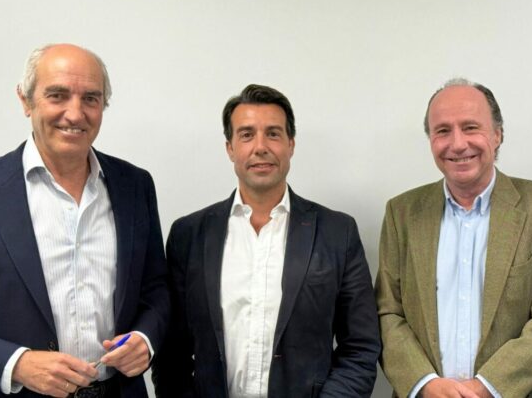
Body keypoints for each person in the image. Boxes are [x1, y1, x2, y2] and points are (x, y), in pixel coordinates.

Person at [152, 84, 380, 398]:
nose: (260, 147)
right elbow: (170, 353)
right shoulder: (189, 235)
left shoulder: (337, 233)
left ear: (291, 144)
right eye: (247, 135)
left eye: (273, 134)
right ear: (230, 148)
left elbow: (360, 347)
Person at [0, 44, 169, 397]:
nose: (75, 114)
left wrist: (145, 337)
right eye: (58, 96)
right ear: (25, 100)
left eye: (90, 99)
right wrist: (15, 363)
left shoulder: (135, 185)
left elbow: (156, 288)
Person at [376, 78, 532, 398]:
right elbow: (388, 312)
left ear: (497, 135)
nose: (457, 144)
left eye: (470, 127)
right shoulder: (402, 213)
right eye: (443, 131)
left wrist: (486, 387)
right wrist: (425, 384)